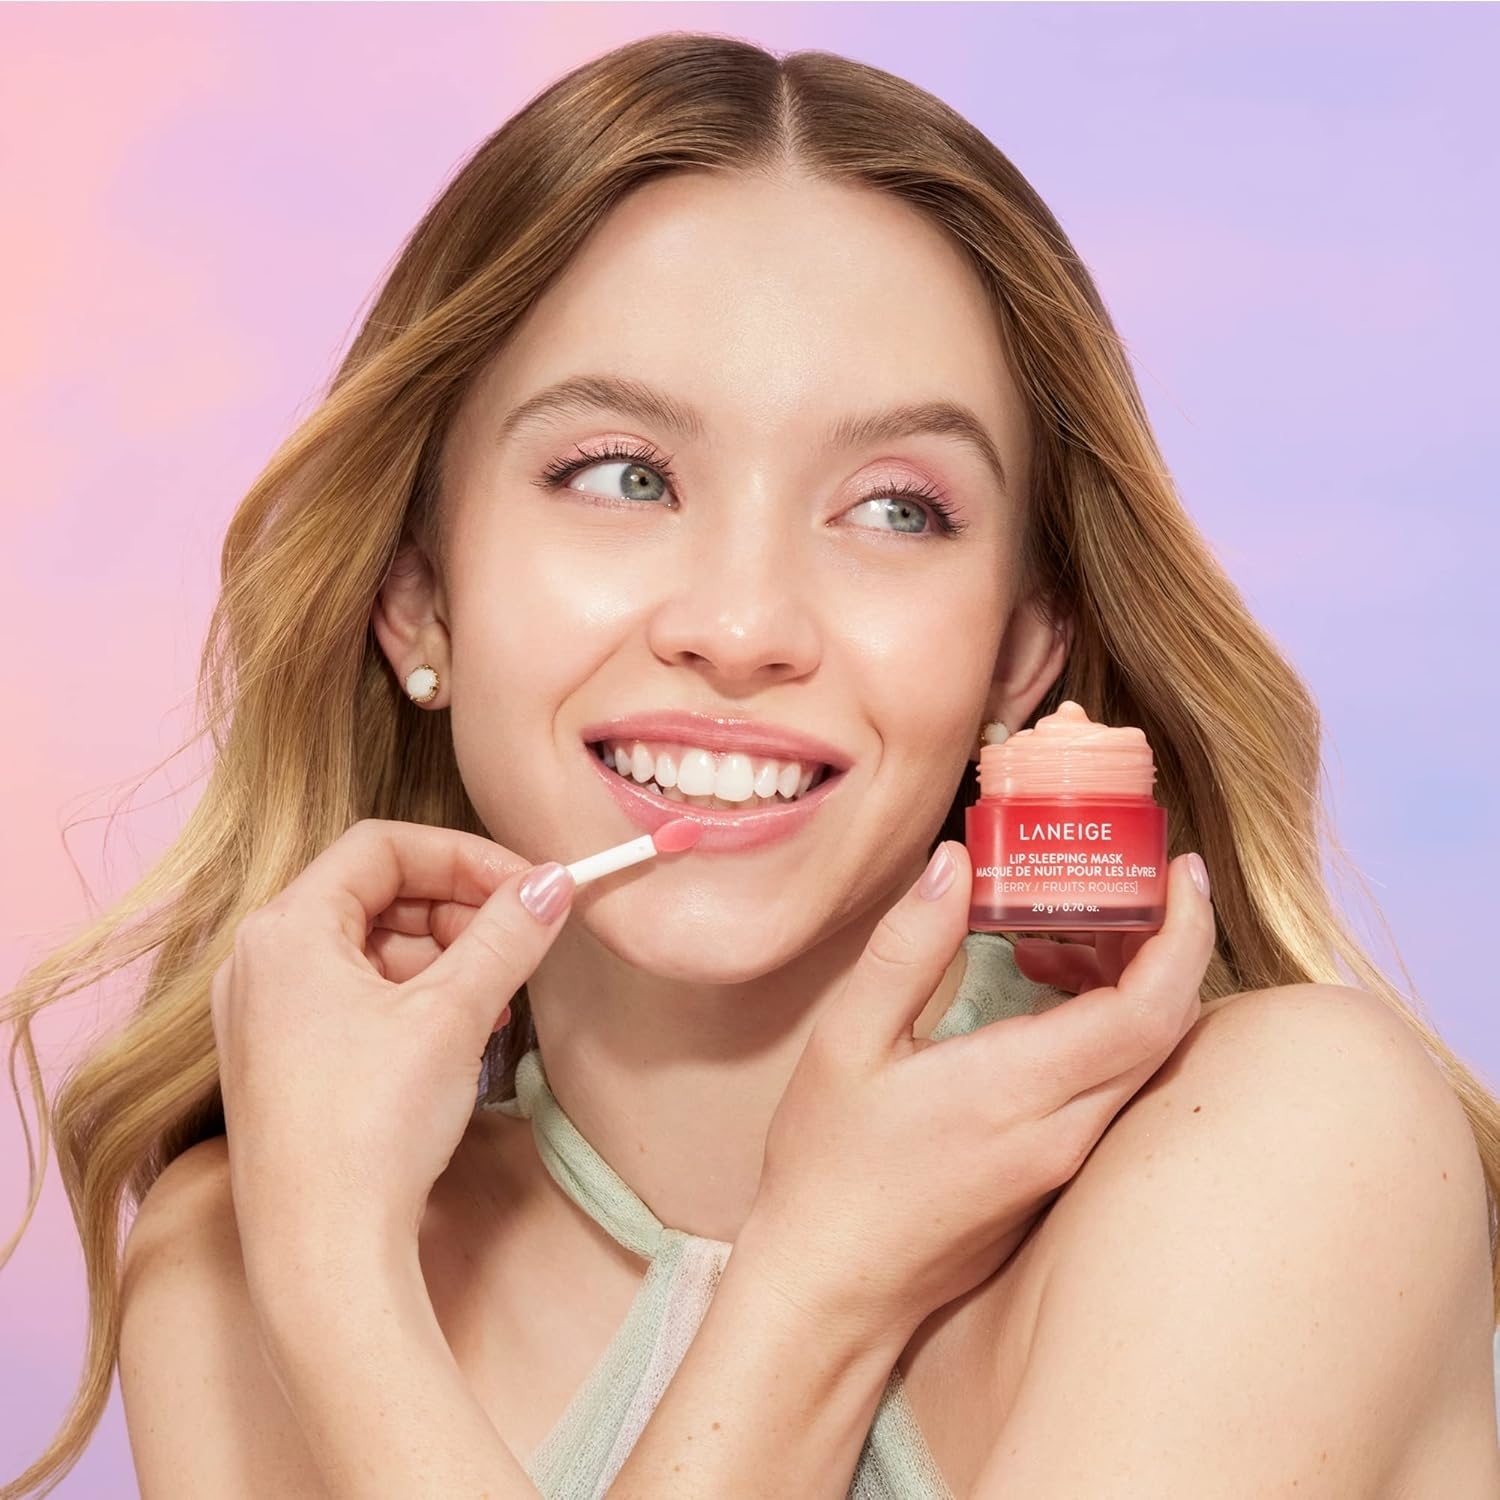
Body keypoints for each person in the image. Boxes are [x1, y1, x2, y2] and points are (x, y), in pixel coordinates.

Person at [4, 32, 1497, 1500]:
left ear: (1019, 653)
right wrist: (335, 1269)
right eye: (622, 475)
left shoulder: (1295, 1150)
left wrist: (809, 1291)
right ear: (421, 602)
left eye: (897, 509)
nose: (741, 626)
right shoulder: (238, 1258)